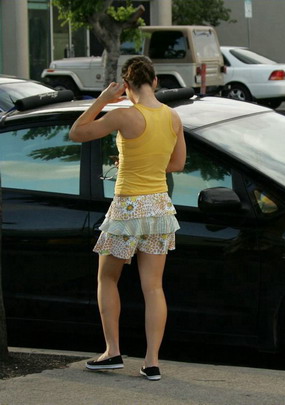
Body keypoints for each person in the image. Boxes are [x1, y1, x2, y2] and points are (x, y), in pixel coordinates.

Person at [69, 56, 186, 381]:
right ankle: (152, 362)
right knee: (153, 288)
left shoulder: (123, 115)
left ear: (126, 84)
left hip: (128, 209)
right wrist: (142, 164)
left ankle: (112, 352)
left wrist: (104, 99)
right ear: (156, 82)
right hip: (160, 208)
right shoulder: (172, 116)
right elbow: (176, 164)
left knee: (107, 278)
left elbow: (77, 133)